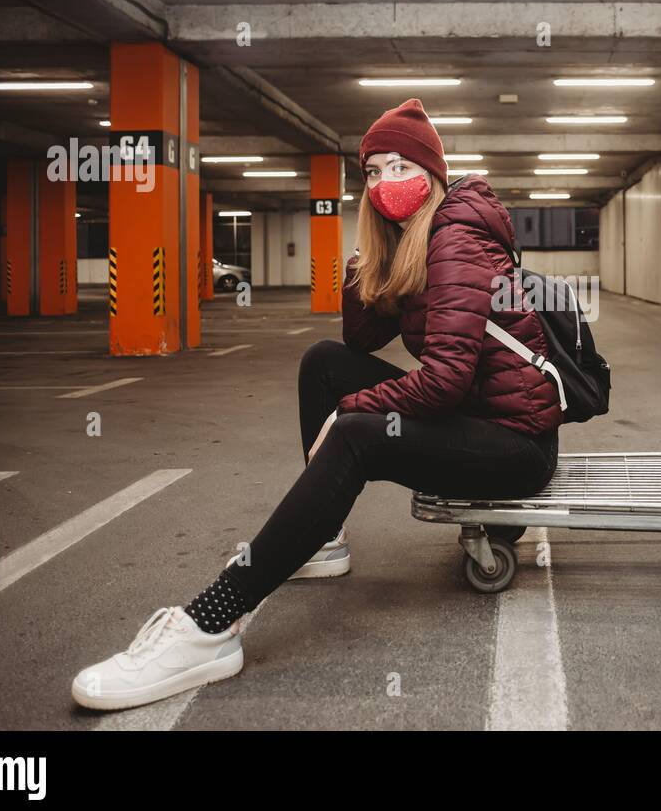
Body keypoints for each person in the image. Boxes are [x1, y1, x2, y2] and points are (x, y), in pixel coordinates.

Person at [72, 98, 563, 711]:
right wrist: (366, 264)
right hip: (480, 421)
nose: (386, 184)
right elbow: (358, 342)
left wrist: (351, 411)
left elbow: (445, 383)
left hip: (516, 447)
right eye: (374, 172)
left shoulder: (454, 240)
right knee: (323, 361)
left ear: (433, 175)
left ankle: (209, 629)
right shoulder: (413, 241)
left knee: (355, 432)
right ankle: (323, 539)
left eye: (400, 167)